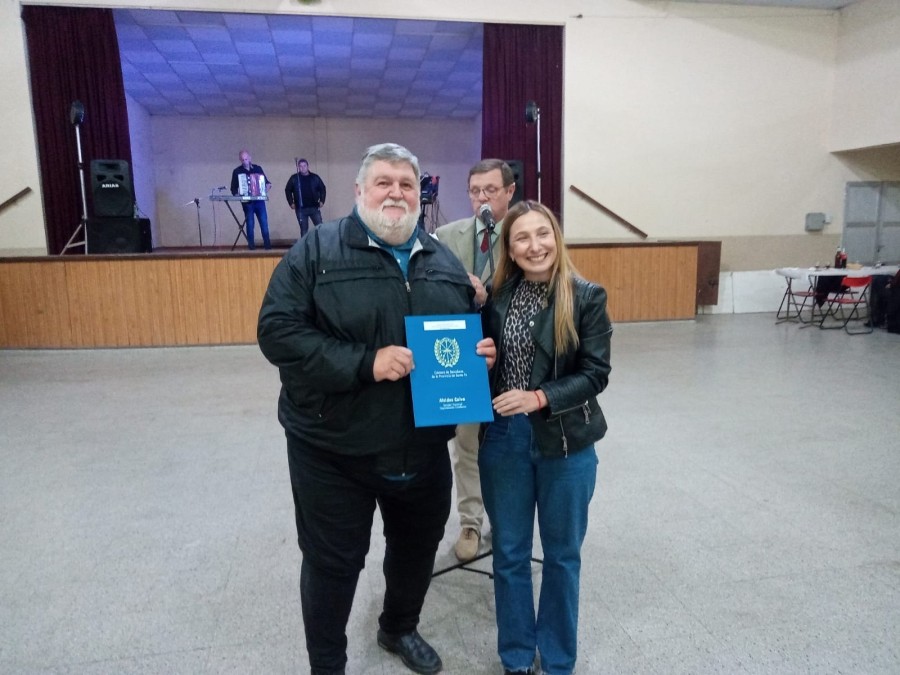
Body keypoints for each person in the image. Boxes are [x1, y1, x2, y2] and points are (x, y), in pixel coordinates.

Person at [257, 142, 497, 675]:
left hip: (422, 447)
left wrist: (479, 349)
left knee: (414, 553)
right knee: (333, 564)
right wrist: (365, 362)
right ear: (360, 191)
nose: (396, 192)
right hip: (333, 451)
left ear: (419, 195)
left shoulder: (442, 259)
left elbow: (461, 334)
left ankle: (398, 629)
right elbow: (276, 333)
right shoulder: (316, 251)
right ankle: (328, 664)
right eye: (383, 182)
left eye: (406, 184)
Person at [478, 200, 612, 675]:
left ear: (556, 237)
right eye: (522, 238)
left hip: (566, 443)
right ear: (509, 250)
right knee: (510, 554)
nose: (534, 246)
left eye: (542, 234)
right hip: (504, 441)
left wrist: (539, 398)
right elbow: (488, 378)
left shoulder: (586, 296)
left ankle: (556, 661)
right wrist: (486, 365)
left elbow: (596, 374)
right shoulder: (495, 300)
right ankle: (516, 658)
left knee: (561, 557)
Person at [433, 159, 516, 562]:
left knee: (507, 444)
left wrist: (491, 298)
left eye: (491, 190)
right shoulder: (446, 236)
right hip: (464, 359)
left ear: (509, 192)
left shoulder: (525, 235)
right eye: (475, 191)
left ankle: (506, 522)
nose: (482, 198)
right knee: (465, 443)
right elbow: (428, 293)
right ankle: (469, 521)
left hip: (513, 361)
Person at [230, 149, 272, 250]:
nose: (245, 161)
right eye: (243, 159)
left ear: (250, 158)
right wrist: (238, 195)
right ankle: (251, 248)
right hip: (247, 202)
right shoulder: (237, 171)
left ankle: (268, 247)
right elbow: (233, 188)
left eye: (246, 159)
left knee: (264, 223)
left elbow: (268, 183)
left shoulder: (258, 168)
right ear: (240, 160)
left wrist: (264, 191)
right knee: (250, 224)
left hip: (259, 201)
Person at [284, 158, 327, 237]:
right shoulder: (294, 178)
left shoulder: (315, 177)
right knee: (304, 231)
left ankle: (322, 246)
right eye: (300, 166)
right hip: (301, 209)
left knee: (320, 228)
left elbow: (322, 188)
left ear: (308, 166)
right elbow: (287, 190)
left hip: (314, 207)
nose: (302, 168)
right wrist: (291, 202)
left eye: (304, 166)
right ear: (298, 167)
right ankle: (304, 248)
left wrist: (322, 200)